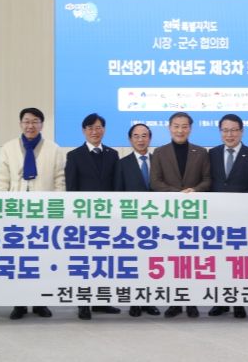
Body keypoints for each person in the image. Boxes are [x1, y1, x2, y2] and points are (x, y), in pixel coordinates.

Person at [0, 107, 65, 320]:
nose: (30, 125)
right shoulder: (9, 148)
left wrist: (55, 208)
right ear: (20, 124)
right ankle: (19, 303)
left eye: (35, 121)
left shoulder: (54, 149)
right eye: (26, 121)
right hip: (15, 211)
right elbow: (1, 180)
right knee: (18, 260)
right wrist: (2, 207)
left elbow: (59, 181)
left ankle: (41, 302)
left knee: (42, 259)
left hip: (44, 212)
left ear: (42, 124)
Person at [151, 112, 211, 318]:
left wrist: (194, 191)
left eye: (184, 126)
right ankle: (174, 303)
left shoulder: (201, 152)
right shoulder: (159, 152)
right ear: (169, 128)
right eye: (176, 126)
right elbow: (155, 182)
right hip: (169, 215)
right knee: (172, 261)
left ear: (190, 129)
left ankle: (192, 302)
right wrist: (178, 194)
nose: (180, 130)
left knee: (192, 261)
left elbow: (207, 180)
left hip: (194, 215)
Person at [65, 113, 122, 320]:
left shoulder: (113, 154)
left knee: (104, 261)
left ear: (104, 130)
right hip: (84, 218)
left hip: (107, 217)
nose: (94, 132)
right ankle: (84, 303)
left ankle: (101, 301)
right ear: (84, 131)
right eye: (90, 128)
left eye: (98, 127)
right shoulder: (74, 155)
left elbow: (117, 186)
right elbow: (71, 188)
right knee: (85, 262)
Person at [208, 114, 248, 319]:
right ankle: (221, 302)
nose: (229, 134)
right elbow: (208, 182)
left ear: (242, 131)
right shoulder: (212, 154)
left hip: (242, 219)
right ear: (220, 132)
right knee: (219, 262)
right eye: (225, 130)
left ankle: (239, 303)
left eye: (233, 130)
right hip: (217, 218)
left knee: (239, 263)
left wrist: (240, 204)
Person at [114, 123, 161, 318]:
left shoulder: (160, 161)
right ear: (130, 139)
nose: (140, 140)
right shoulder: (122, 164)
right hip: (131, 222)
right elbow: (118, 193)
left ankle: (149, 301)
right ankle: (134, 301)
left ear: (150, 138)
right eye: (136, 136)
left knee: (152, 263)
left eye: (144, 136)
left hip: (157, 221)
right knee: (133, 264)